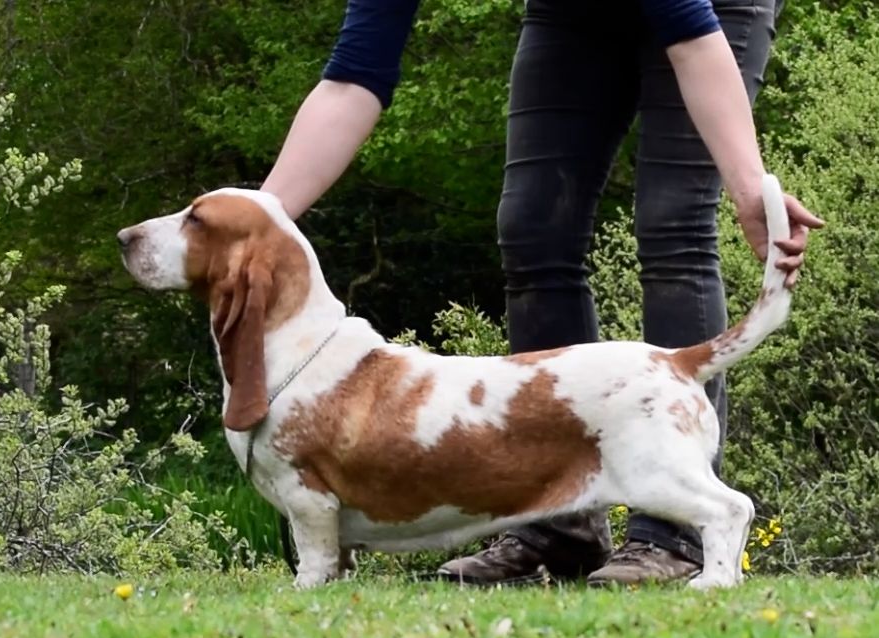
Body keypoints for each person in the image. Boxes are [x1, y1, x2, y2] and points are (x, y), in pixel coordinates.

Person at [261, 0, 823, 586]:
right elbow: (356, 74)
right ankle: (558, 528)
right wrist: (258, 220)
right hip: (571, 14)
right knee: (534, 226)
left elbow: (690, 35)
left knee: (673, 221)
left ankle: (673, 536)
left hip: (711, 13)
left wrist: (749, 185)